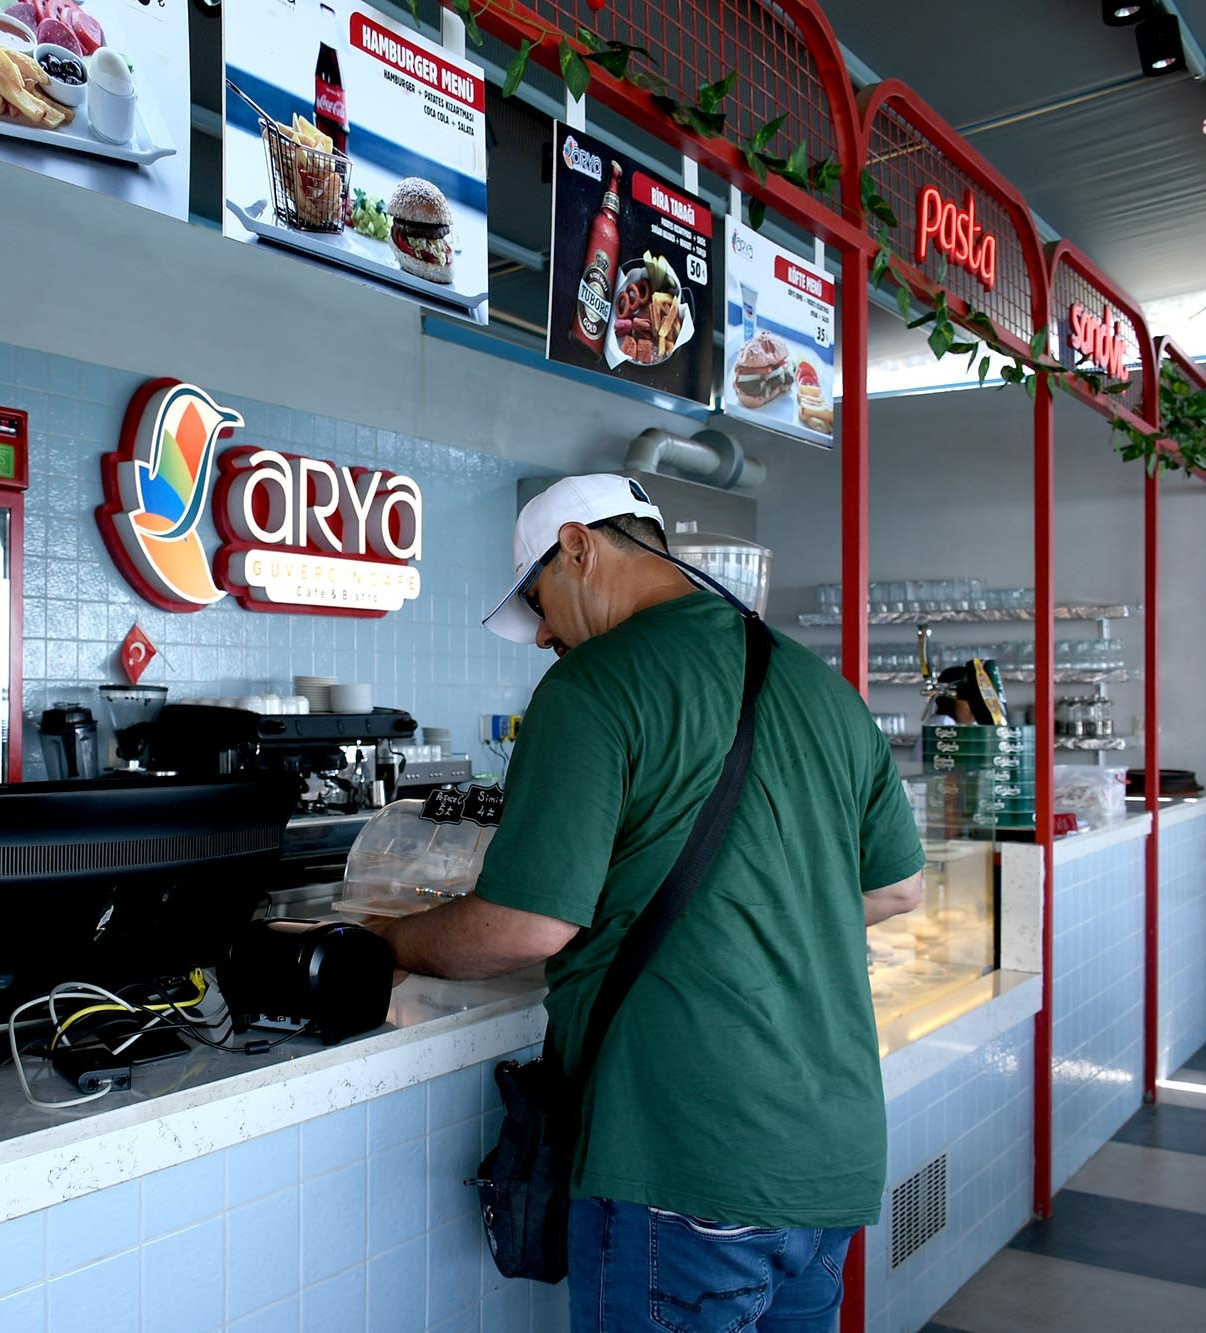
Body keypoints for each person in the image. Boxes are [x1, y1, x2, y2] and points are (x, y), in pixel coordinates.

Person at [372, 475, 924, 1333]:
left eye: (539, 601)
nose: (544, 633)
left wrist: (385, 942)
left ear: (579, 548)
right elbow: (896, 886)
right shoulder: (824, 689)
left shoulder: (593, 686)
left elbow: (526, 925)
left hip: (685, 1156)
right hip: (831, 1161)